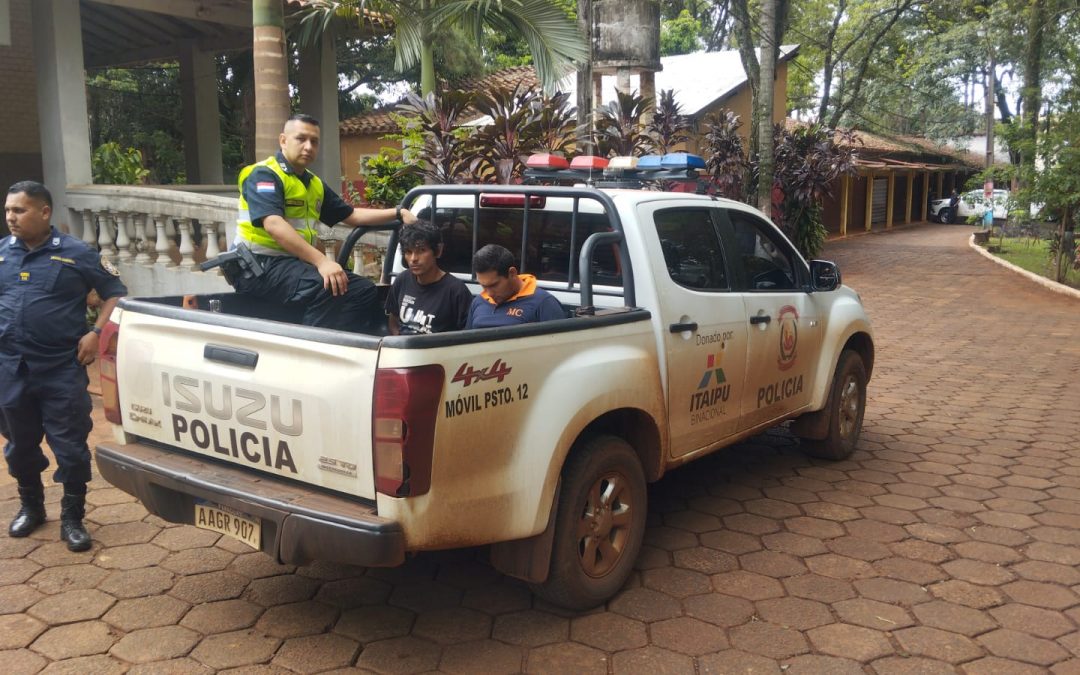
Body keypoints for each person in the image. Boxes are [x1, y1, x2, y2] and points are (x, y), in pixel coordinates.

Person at [1, 181, 127, 552]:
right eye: (8, 210)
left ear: (43, 212)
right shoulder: (3, 255)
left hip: (59, 367)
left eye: (19, 210)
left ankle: (73, 517)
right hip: (11, 368)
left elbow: (116, 293)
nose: (11, 217)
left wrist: (95, 333)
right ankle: (32, 507)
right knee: (19, 445)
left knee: (70, 446)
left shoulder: (77, 253)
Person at [233, 113, 417, 331]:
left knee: (364, 289)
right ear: (283, 140)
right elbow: (273, 224)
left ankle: (335, 345)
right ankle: (312, 350)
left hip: (288, 265)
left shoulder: (313, 183)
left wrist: (398, 213)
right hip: (256, 265)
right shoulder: (264, 174)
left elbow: (352, 215)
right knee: (332, 287)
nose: (308, 147)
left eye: (314, 141)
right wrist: (322, 262)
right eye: (301, 139)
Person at [384, 222, 472, 335]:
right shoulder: (402, 280)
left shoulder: (456, 291)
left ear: (438, 250)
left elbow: (467, 335)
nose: (413, 259)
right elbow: (393, 319)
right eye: (408, 252)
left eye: (421, 250)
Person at [466, 244, 565, 328]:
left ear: (512, 273)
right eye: (483, 286)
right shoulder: (478, 301)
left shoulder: (544, 303)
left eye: (494, 285)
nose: (489, 293)